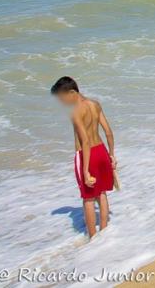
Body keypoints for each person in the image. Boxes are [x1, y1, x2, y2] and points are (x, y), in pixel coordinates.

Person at [51, 76, 116, 238]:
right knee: (101, 193)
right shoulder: (95, 104)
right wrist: (112, 154)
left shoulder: (75, 112)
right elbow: (108, 132)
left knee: (88, 198)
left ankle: (93, 238)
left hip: (86, 155)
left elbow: (85, 141)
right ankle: (104, 232)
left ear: (72, 92)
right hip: (101, 151)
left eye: (62, 97)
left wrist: (86, 171)